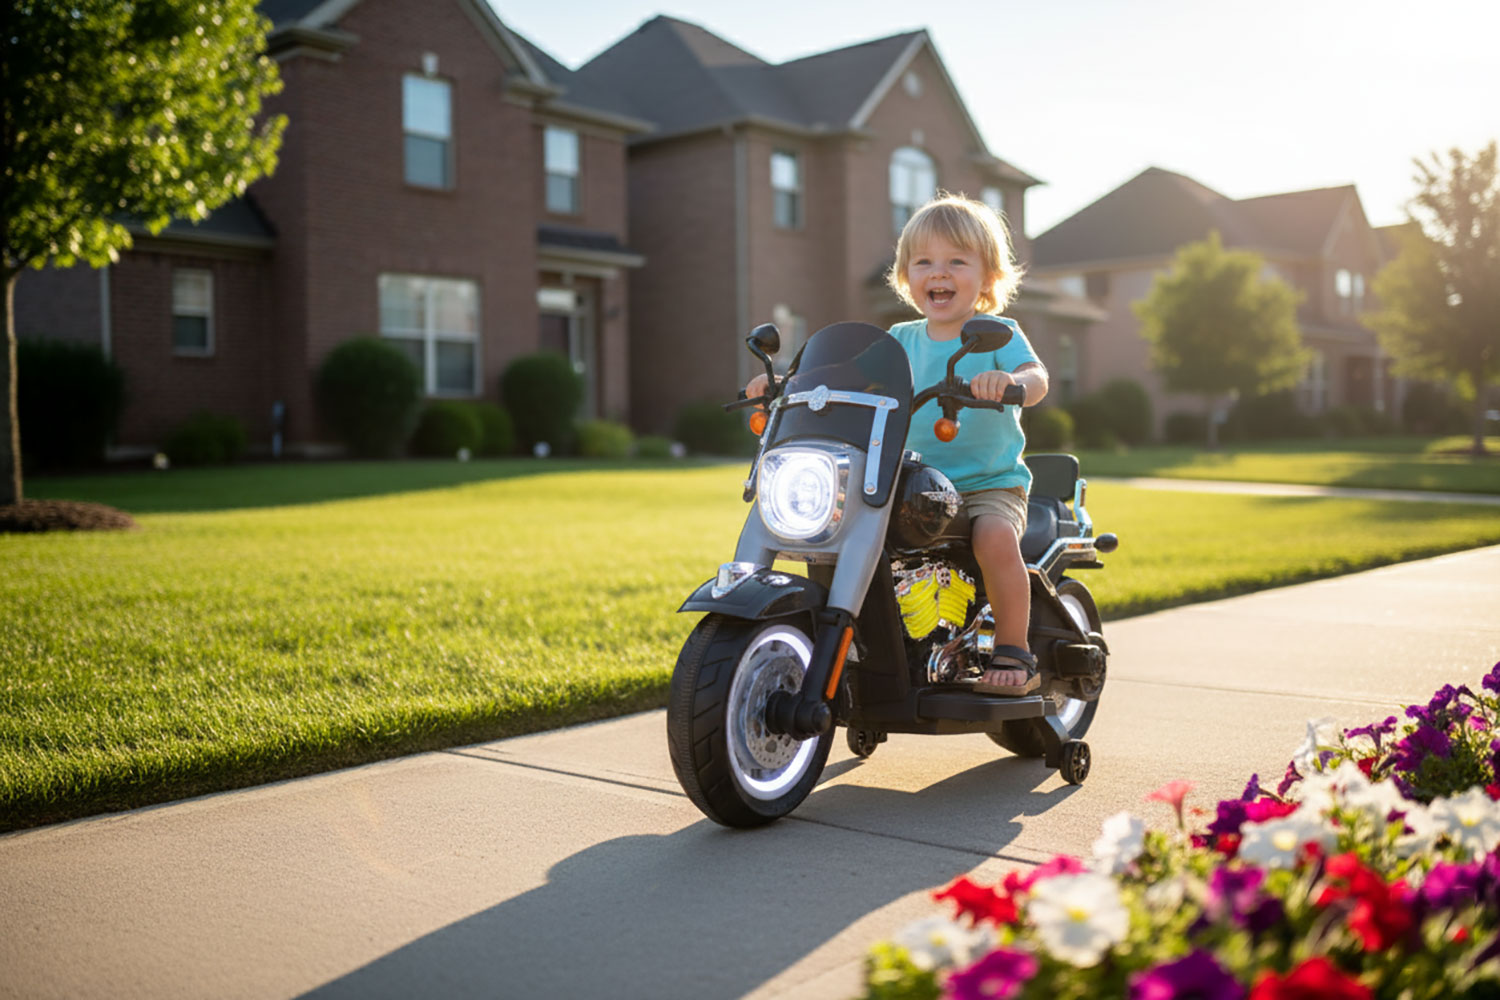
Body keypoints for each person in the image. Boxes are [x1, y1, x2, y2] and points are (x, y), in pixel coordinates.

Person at [746, 192, 1048, 695]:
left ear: (989, 276)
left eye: (957, 261)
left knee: (993, 538)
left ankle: (1014, 649)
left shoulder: (999, 333)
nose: (939, 273)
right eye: (923, 262)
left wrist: (1011, 382)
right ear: (906, 276)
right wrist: (787, 383)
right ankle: (859, 644)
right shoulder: (900, 340)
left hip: (986, 485)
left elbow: (1036, 376)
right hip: (905, 483)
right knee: (836, 535)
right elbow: (839, 374)